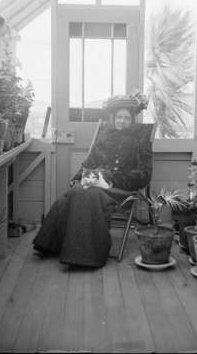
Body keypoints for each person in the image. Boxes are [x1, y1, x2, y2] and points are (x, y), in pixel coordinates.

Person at [33, 90, 153, 268]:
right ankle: (57, 246)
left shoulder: (139, 141)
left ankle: (86, 256)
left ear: (132, 120)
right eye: (119, 117)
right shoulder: (103, 139)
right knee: (73, 193)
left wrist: (114, 178)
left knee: (88, 196)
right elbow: (88, 164)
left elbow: (144, 174)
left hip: (119, 189)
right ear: (114, 119)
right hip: (97, 184)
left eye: (126, 118)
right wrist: (77, 178)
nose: (122, 121)